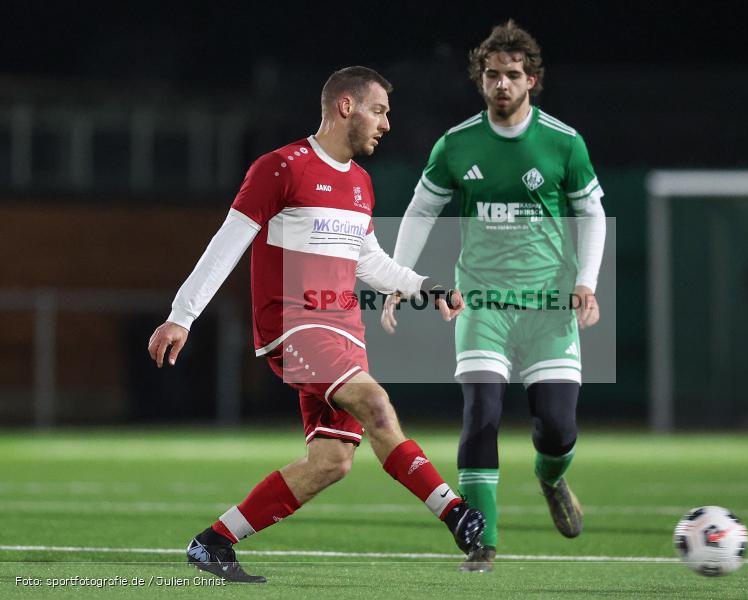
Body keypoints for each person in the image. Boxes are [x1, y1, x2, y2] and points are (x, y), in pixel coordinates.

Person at [147, 66, 484, 584]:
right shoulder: (281, 167)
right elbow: (228, 242)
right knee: (376, 403)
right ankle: (453, 511)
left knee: (331, 462)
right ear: (345, 106)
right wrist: (181, 315)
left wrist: (425, 285)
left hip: (344, 332)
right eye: (380, 110)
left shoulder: (361, 183)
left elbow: (367, 260)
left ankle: (213, 541)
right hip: (294, 325)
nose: (387, 124)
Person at [382, 21, 606, 572]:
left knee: (558, 428)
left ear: (532, 80)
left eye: (512, 75)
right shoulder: (456, 145)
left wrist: (587, 282)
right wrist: (396, 278)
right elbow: (421, 209)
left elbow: (592, 212)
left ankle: (551, 478)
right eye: (491, 75)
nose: (501, 84)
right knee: (481, 413)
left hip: (549, 308)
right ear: (480, 81)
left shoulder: (563, 142)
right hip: (480, 305)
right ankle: (481, 541)